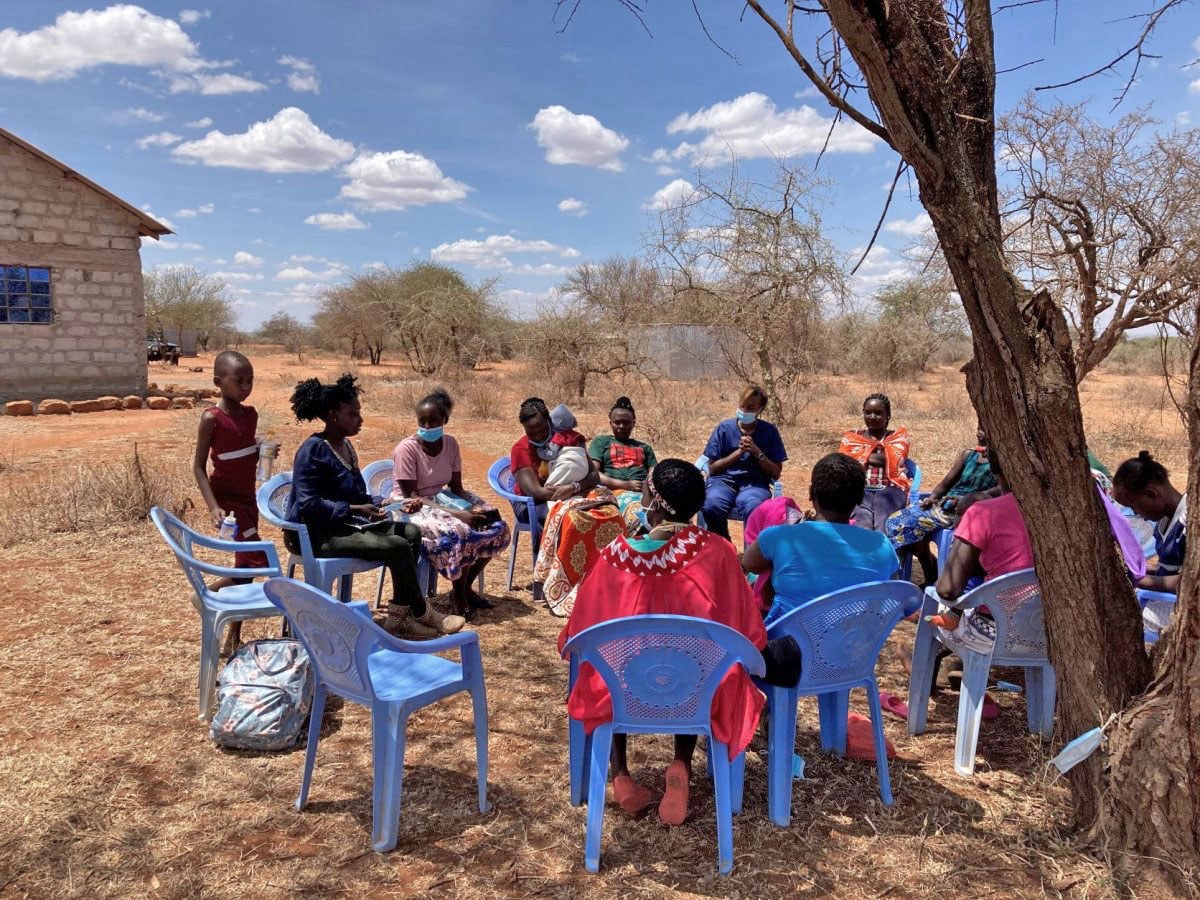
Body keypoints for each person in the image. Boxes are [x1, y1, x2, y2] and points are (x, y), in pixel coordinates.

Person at [557, 459, 767, 825]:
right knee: (696, 662)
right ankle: (681, 764)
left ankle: (620, 773)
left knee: (607, 664)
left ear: (653, 501)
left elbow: (577, 636)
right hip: (699, 694)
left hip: (622, 693)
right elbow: (748, 631)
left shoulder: (613, 558)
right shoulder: (718, 552)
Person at [286, 374, 464, 639]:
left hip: (342, 526)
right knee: (397, 545)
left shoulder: (345, 446)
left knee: (411, 533)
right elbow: (309, 504)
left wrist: (390, 503)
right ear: (333, 415)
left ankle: (398, 619)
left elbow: (359, 494)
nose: (360, 419)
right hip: (314, 535)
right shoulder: (313, 449)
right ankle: (421, 612)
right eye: (353, 413)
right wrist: (355, 510)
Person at [927, 447, 1145, 652]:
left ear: (994, 472)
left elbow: (948, 590)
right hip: (1055, 636)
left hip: (997, 633)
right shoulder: (1073, 511)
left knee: (939, 614)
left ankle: (938, 671)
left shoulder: (983, 513)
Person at [389, 389, 510, 621]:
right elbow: (411, 495)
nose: (426, 425)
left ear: (445, 420)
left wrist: (470, 508)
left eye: (433, 421)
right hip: (412, 505)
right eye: (422, 421)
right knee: (460, 530)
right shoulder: (406, 449)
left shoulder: (451, 444)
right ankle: (458, 594)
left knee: (494, 525)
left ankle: (465, 586)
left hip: (442, 497)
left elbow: (457, 487)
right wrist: (458, 515)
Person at [743, 453, 901, 626]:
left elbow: (749, 565)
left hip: (788, 647)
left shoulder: (778, 538)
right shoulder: (882, 546)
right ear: (860, 498)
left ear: (811, 493)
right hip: (853, 647)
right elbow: (892, 589)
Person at [509, 397, 622, 615]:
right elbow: (537, 492)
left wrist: (574, 487)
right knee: (570, 520)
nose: (538, 435)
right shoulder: (520, 449)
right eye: (531, 431)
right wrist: (575, 491)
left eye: (542, 428)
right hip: (531, 504)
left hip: (571, 495)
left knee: (607, 514)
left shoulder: (566, 440)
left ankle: (596, 579)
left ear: (549, 422)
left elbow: (592, 474)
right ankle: (559, 584)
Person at [191, 350, 270, 652]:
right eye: (239, 381)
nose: (246, 387)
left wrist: (262, 450)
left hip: (248, 499)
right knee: (255, 560)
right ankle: (206, 595)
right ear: (218, 382)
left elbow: (245, 450)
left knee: (245, 565)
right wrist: (213, 505)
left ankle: (232, 637)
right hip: (228, 501)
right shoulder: (212, 418)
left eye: (250, 381)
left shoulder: (250, 415)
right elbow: (199, 467)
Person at [885, 427, 998, 583]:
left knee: (900, 525)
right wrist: (932, 497)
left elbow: (1000, 490)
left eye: (984, 429)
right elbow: (945, 484)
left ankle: (898, 575)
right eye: (979, 428)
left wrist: (968, 499)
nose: (979, 433)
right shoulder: (969, 455)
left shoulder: (1000, 462)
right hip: (945, 505)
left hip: (966, 511)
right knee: (895, 522)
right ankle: (927, 568)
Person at [699, 384, 787, 542]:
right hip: (722, 481)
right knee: (712, 505)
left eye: (750, 407)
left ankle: (750, 558)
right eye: (742, 405)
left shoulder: (769, 432)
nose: (744, 410)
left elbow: (776, 472)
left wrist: (756, 452)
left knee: (753, 506)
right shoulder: (724, 429)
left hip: (754, 484)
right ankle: (724, 546)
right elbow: (712, 468)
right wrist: (738, 452)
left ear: (759, 410)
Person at [1113, 451, 1186, 638]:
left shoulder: (1188, 523)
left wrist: (1142, 581)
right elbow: (1172, 568)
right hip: (1167, 600)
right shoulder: (1164, 521)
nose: (1137, 514)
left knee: (1117, 619)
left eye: (1134, 506)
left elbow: (1191, 581)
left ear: (1151, 493)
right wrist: (1143, 570)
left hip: (1184, 608)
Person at [839, 393, 912, 533]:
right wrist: (880, 456)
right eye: (868, 412)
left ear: (888, 416)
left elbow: (895, 459)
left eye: (878, 413)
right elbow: (844, 462)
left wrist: (860, 455)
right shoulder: (853, 436)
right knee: (861, 520)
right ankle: (864, 552)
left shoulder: (898, 437)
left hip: (891, 490)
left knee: (883, 522)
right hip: (860, 489)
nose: (872, 417)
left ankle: (885, 553)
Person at [589, 396, 658, 532]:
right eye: (617, 422)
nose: (621, 426)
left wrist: (647, 488)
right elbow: (593, 473)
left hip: (644, 493)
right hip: (615, 492)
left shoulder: (645, 447)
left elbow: (655, 474)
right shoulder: (601, 442)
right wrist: (625, 485)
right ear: (610, 423)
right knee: (639, 514)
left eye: (626, 423)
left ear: (633, 423)